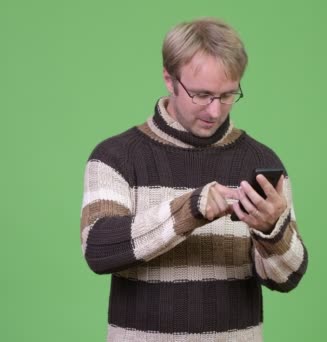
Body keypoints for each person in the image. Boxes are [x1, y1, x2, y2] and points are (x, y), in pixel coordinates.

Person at [80, 17, 308, 341]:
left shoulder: (261, 162)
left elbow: (288, 277)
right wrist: (190, 209)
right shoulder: (116, 157)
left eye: (228, 95)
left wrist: (273, 229)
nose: (215, 111)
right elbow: (99, 248)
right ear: (169, 79)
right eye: (201, 95)